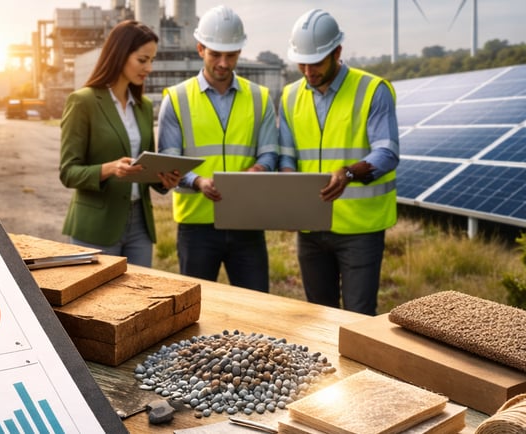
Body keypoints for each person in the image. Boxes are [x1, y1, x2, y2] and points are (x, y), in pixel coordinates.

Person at [279, 9, 400, 315]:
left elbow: (387, 152)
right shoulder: (290, 96)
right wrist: (289, 184)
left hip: (360, 230)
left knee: (358, 317)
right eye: (301, 62)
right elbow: (288, 155)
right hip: (310, 228)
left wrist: (348, 172)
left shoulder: (372, 90)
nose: (307, 70)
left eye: (316, 62)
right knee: (319, 315)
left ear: (337, 52)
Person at [156, 5, 279, 291]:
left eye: (231, 54)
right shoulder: (176, 99)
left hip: (247, 220)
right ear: (200, 49)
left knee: (257, 307)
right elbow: (169, 160)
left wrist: (258, 169)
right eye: (215, 54)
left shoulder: (260, 98)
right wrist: (198, 181)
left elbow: (269, 153)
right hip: (196, 225)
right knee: (197, 310)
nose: (224, 63)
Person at [59, 20, 179, 267]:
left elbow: (143, 165)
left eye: (152, 60)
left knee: (140, 298)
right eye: (142, 60)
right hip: (96, 225)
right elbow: (68, 173)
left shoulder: (144, 107)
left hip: (140, 225)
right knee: (94, 303)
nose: (149, 68)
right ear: (120, 55)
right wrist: (110, 169)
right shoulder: (83, 102)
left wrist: (163, 179)